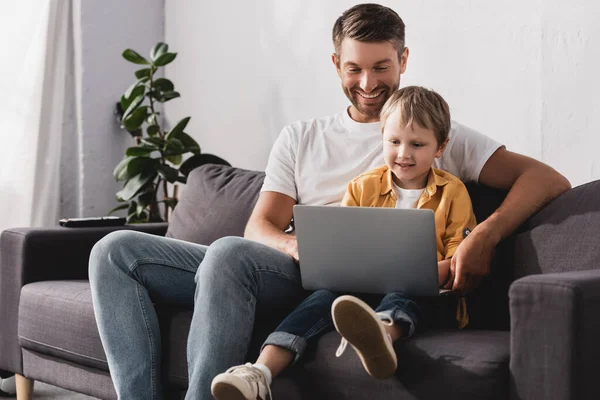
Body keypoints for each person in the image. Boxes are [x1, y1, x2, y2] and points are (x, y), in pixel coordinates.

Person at [89, 4, 570, 400]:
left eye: (381, 67)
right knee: (113, 252)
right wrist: (306, 248)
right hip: (288, 266)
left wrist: (484, 235)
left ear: (404, 59)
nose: (367, 83)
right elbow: (261, 227)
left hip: (348, 285)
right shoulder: (301, 137)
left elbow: (546, 179)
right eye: (354, 68)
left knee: (227, 253)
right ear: (336, 64)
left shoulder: (431, 131)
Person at [210, 86, 477, 399]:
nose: (403, 153)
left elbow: (458, 262)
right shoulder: (363, 187)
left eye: (417, 144)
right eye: (394, 141)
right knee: (323, 298)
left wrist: (419, 271)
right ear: (382, 137)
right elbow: (344, 247)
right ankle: (259, 371)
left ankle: (382, 336)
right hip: (363, 288)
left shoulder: (453, 192)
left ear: (440, 147)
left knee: (405, 291)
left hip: (425, 292)